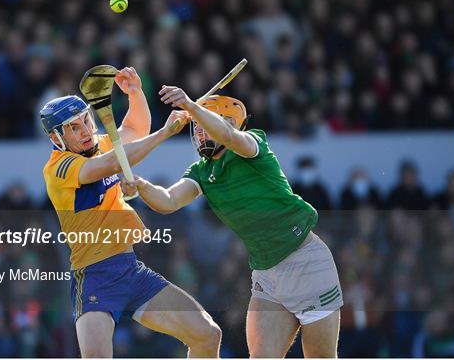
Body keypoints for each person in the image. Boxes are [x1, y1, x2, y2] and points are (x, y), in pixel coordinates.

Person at [122, 86, 343, 358]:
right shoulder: (202, 172)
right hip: (266, 273)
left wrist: (192, 107)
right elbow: (168, 201)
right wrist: (142, 185)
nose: (200, 132)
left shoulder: (252, 144)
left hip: (306, 262)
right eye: (197, 128)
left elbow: (227, 135)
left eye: (205, 124)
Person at [40, 68, 221, 358]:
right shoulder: (58, 167)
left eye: (86, 120)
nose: (86, 131)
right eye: (74, 127)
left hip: (130, 269)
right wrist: (166, 133)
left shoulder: (98, 143)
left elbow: (136, 130)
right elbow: (112, 163)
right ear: (56, 136)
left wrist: (135, 94)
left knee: (207, 335)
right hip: (95, 275)